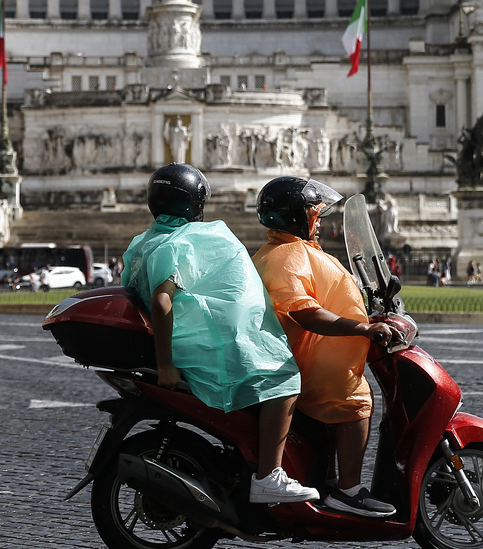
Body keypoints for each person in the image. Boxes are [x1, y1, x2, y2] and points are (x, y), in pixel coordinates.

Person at [122, 163, 316, 505]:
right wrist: (167, 366)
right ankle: (268, 476)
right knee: (284, 379)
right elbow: (161, 301)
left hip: (176, 340)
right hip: (190, 350)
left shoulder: (143, 242)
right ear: (194, 204)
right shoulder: (181, 243)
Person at [252, 176, 398, 518]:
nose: (320, 223)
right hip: (304, 360)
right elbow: (304, 311)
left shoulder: (288, 250)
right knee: (354, 400)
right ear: (295, 218)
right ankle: (347, 490)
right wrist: (362, 328)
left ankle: (327, 478)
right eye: (314, 215)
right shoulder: (287, 255)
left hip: (307, 354)